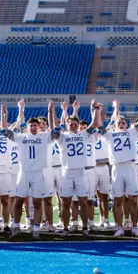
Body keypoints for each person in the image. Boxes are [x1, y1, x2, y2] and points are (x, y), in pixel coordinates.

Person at [8, 99, 60, 240]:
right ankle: (16, 226)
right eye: (30, 126)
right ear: (28, 127)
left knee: (37, 202)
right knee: (19, 201)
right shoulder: (21, 137)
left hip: (38, 173)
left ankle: (36, 229)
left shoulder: (44, 137)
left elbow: (56, 131)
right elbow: (8, 133)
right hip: (24, 172)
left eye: (34, 126)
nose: (32, 128)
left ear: (38, 126)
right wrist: (20, 110)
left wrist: (51, 112)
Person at [99, 95, 138, 237]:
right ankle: (119, 227)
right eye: (119, 122)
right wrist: (98, 110)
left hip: (130, 167)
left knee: (133, 199)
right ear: (115, 124)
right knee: (118, 199)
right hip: (117, 168)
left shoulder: (132, 133)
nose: (121, 123)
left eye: (123, 122)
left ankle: (134, 227)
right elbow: (100, 126)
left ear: (127, 124)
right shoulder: (110, 135)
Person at [58, 100, 100, 238]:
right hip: (67, 173)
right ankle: (65, 227)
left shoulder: (83, 135)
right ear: (67, 125)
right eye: (71, 124)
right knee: (66, 202)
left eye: (76, 124)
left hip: (81, 172)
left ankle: (85, 227)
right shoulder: (62, 137)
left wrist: (94, 109)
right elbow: (55, 126)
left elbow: (94, 124)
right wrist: (53, 111)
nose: (74, 126)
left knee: (83, 201)